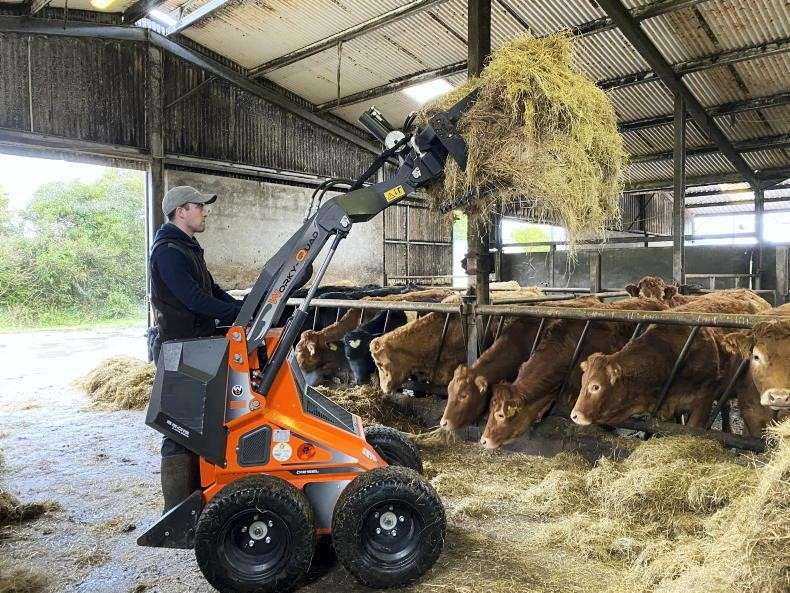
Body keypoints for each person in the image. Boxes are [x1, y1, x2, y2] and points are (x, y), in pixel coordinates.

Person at [148, 185, 242, 512]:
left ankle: (198, 496)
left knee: (200, 423)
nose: (205, 211)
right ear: (181, 211)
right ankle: (175, 511)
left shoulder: (188, 247)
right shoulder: (168, 251)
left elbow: (212, 289)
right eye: (199, 206)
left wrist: (246, 308)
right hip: (179, 349)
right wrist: (235, 314)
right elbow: (194, 300)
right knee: (177, 428)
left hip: (197, 345)